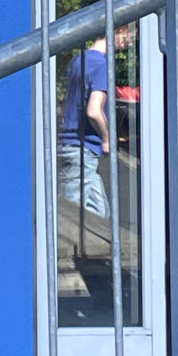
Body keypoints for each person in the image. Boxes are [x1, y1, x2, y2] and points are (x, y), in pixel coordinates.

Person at [57, 32, 112, 232]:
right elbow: (94, 111)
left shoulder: (77, 60)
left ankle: (97, 248)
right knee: (69, 213)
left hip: (72, 144)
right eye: (131, 35)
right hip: (82, 147)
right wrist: (106, 139)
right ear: (119, 32)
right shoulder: (101, 65)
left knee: (99, 212)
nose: (130, 41)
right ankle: (62, 251)